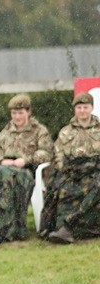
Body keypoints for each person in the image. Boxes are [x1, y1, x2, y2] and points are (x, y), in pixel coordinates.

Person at [0, 94, 52, 244]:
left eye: (20, 113)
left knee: (2, 175)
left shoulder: (39, 130)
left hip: (27, 171)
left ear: (28, 112)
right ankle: (3, 230)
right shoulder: (6, 131)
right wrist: (2, 160)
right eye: (14, 113)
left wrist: (26, 160)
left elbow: (46, 153)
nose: (17, 117)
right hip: (5, 169)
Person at [41, 92, 100, 244]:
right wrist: (63, 167)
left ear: (91, 108)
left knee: (96, 187)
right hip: (72, 171)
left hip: (95, 171)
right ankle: (63, 227)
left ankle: (69, 227)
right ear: (75, 110)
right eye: (79, 107)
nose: (82, 111)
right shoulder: (66, 132)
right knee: (62, 189)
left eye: (85, 107)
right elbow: (58, 154)